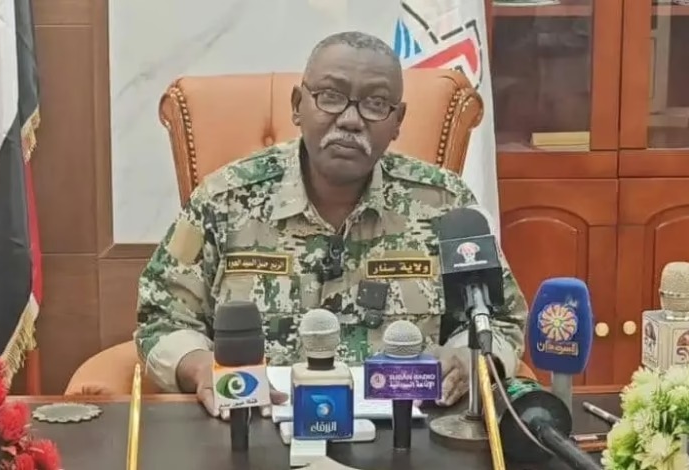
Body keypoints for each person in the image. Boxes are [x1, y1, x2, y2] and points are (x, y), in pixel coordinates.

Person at [134, 31, 528, 420]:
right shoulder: (224, 200)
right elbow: (162, 317)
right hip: (254, 423)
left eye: (376, 103)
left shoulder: (444, 204)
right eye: (331, 96)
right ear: (297, 105)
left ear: (397, 121)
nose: (351, 120)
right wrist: (201, 367)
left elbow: (499, 319)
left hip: (405, 431)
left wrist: (467, 359)